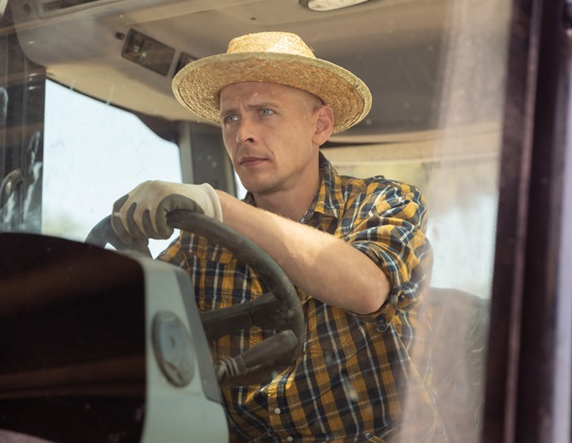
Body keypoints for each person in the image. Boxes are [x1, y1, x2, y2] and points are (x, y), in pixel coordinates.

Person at [111, 32, 444, 442]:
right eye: (230, 117)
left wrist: (219, 205)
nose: (242, 133)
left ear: (319, 125)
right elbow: (131, 330)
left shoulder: (387, 202)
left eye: (265, 112)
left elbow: (367, 288)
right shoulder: (199, 247)